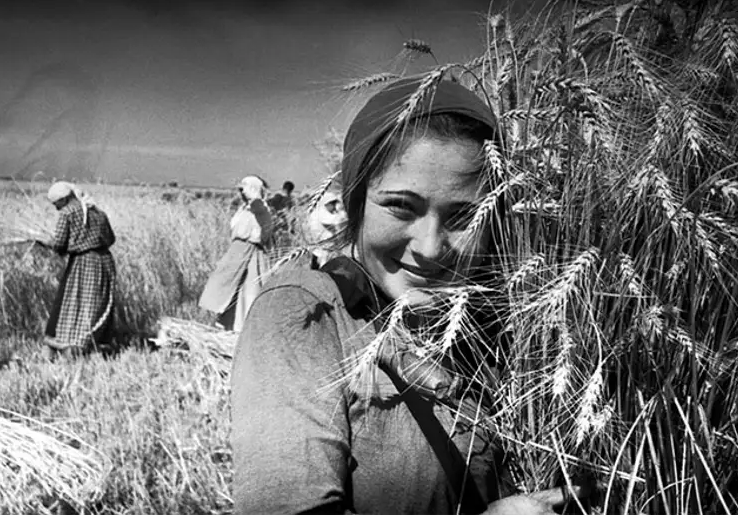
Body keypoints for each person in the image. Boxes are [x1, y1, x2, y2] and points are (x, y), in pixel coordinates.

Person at [231, 77, 588, 514]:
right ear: (356, 200)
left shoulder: (509, 317)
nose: (431, 246)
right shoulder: (305, 312)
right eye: (401, 206)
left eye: (464, 216)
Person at [40, 181, 117, 357]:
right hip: (105, 262)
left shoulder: (68, 213)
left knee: (77, 302)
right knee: (98, 303)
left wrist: (48, 245)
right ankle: (96, 341)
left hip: (84, 262)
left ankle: (73, 343)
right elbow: (111, 239)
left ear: (65, 199)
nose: (57, 209)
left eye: (56, 204)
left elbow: (59, 244)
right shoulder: (98, 212)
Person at [199, 175, 274, 331]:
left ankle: (246, 330)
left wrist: (255, 200)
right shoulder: (244, 209)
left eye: (243, 189)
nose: (241, 193)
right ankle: (229, 326)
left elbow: (264, 226)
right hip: (237, 252)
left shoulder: (261, 208)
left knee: (249, 290)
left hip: (253, 255)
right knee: (231, 290)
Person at [303, 189, 348, 267]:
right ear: (327, 204)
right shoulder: (321, 213)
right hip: (323, 253)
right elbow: (338, 221)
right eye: (333, 204)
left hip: (320, 251)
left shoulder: (316, 212)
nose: (334, 206)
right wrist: (341, 211)